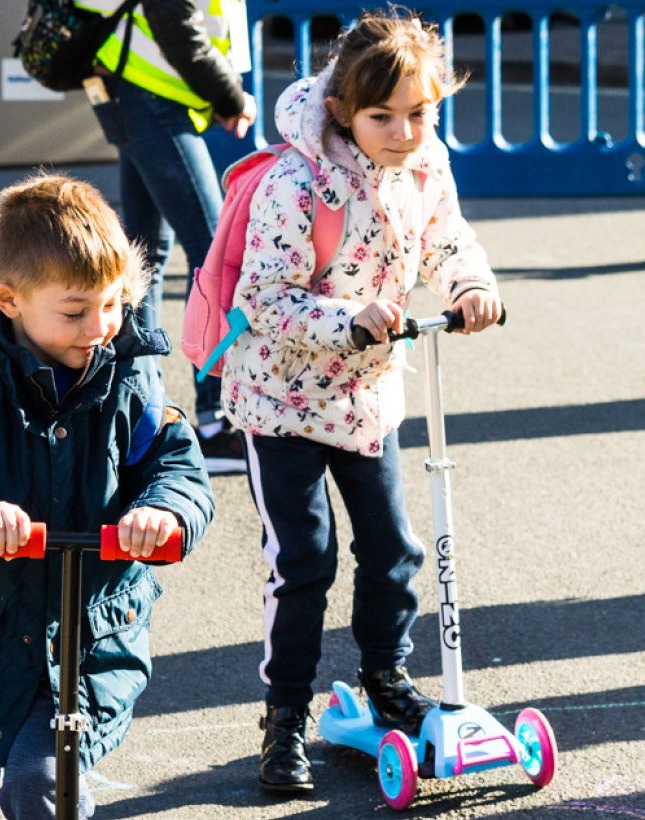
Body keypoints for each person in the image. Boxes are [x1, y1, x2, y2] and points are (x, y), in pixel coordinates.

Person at [0, 173, 215, 819]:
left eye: (113, 304)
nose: (101, 326)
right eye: (76, 311)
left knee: (44, 789)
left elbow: (177, 464)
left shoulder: (128, 377)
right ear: (8, 300)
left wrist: (164, 512)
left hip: (75, 643)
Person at [218, 11, 503, 793]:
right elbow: (266, 297)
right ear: (344, 110)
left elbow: (450, 241)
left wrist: (471, 285)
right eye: (384, 117)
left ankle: (386, 676)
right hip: (279, 399)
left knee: (393, 549)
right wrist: (347, 320)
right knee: (303, 560)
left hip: (366, 399)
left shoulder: (425, 166)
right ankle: (284, 717)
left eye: (421, 113)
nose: (405, 132)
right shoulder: (295, 182)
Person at [76, 0, 257, 474]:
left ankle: (140, 420)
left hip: (133, 90)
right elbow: (179, 30)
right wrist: (230, 96)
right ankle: (214, 425)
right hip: (152, 95)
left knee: (140, 261)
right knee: (218, 255)